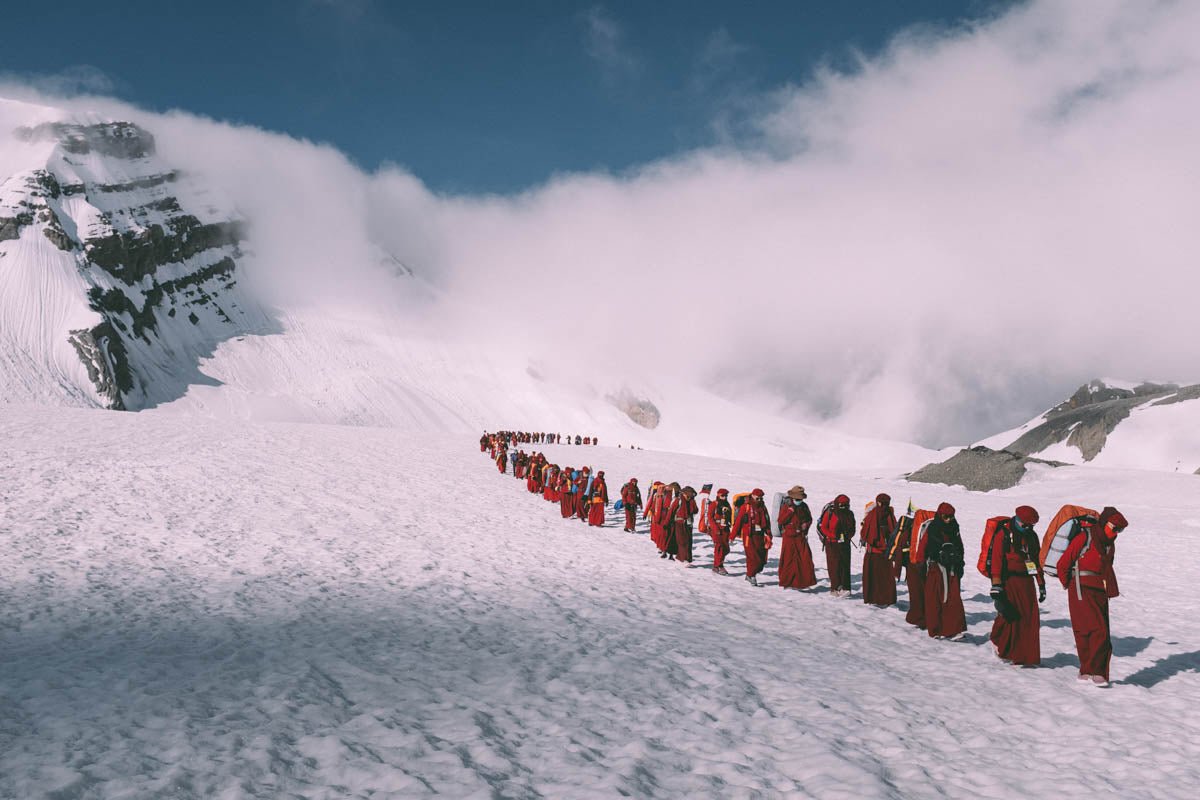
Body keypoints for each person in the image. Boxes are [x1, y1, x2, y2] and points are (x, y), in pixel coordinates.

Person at [1057, 507, 1128, 686]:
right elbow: (1063, 563)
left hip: (1099, 592)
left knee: (1097, 631)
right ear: (1105, 523)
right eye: (1115, 528)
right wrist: (1069, 584)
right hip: (1080, 589)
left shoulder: (1109, 544)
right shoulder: (1085, 537)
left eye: (1120, 530)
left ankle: (1089, 671)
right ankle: (1095, 672)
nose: (1117, 533)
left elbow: (1107, 567)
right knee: (1089, 630)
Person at [989, 505, 1045, 664]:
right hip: (1009, 581)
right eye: (1025, 525)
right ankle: (998, 641)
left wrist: (1040, 584)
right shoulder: (1004, 534)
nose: (1028, 528)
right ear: (1017, 520)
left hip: (1027, 582)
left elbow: (1034, 561)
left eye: (1031, 526)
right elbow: (996, 560)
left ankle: (1024, 656)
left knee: (1029, 619)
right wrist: (997, 584)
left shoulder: (1031, 537)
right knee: (1010, 615)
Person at [923, 502, 967, 639]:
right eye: (946, 517)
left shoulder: (954, 527)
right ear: (940, 515)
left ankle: (954, 629)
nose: (948, 520)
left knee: (953, 599)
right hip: (936, 568)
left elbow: (959, 546)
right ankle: (936, 630)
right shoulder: (932, 528)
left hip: (952, 568)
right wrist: (920, 565)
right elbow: (924, 547)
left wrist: (960, 562)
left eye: (951, 517)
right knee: (935, 600)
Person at [859, 493, 897, 606]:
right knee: (883, 577)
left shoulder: (875, 514)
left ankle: (877, 599)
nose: (883, 506)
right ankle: (882, 599)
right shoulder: (888, 514)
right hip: (881, 551)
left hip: (877, 552)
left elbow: (864, 533)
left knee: (877, 577)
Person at [777, 486, 817, 590]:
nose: (799, 501)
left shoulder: (804, 506)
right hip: (789, 537)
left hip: (800, 536)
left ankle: (803, 582)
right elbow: (781, 520)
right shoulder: (787, 506)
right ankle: (787, 582)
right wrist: (790, 512)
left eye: (801, 499)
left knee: (805, 559)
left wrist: (806, 525)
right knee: (788, 560)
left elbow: (809, 519)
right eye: (798, 499)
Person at [733, 488, 772, 586]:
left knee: (761, 559)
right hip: (748, 536)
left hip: (760, 536)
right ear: (752, 496)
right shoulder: (745, 507)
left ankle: (750, 574)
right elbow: (738, 522)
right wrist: (732, 536)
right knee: (752, 557)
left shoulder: (763, 507)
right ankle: (751, 576)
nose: (759, 499)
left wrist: (768, 534)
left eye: (760, 497)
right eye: (757, 497)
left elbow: (767, 521)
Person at [818, 495, 855, 596]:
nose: (844, 507)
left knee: (845, 565)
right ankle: (835, 588)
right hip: (831, 543)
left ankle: (845, 587)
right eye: (842, 505)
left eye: (846, 505)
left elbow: (853, 529)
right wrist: (833, 535)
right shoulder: (830, 513)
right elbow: (824, 527)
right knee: (834, 566)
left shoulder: (850, 514)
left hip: (845, 544)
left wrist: (847, 536)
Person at [668, 486, 700, 564]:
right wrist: (667, 522)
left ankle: (686, 558)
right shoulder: (678, 500)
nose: (689, 497)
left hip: (689, 524)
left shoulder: (692, 500)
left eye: (691, 495)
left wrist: (693, 502)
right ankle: (684, 559)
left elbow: (695, 511)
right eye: (688, 495)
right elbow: (671, 511)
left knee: (689, 541)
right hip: (679, 523)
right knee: (682, 541)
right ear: (684, 494)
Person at [708, 489, 733, 575]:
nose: (724, 497)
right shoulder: (713, 504)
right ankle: (720, 566)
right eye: (723, 496)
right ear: (718, 495)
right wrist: (715, 529)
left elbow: (730, 516)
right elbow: (710, 518)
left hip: (725, 529)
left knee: (726, 548)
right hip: (717, 529)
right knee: (719, 547)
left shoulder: (727, 504)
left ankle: (715, 566)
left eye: (726, 496)